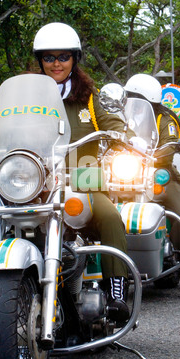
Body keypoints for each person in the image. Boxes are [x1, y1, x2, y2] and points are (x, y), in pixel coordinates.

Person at [33, 22, 138, 324]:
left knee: (109, 215)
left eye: (62, 57)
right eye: (49, 57)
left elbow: (115, 124)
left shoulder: (89, 97)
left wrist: (123, 139)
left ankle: (116, 293)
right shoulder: (29, 97)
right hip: (36, 183)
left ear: (73, 59)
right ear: (40, 61)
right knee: (5, 221)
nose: (56, 63)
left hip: (83, 180)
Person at [124, 74, 180, 300]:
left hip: (160, 174)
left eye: (136, 98)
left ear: (150, 100)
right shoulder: (123, 118)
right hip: (128, 173)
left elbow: (171, 141)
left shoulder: (165, 120)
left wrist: (165, 149)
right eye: (129, 97)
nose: (131, 102)